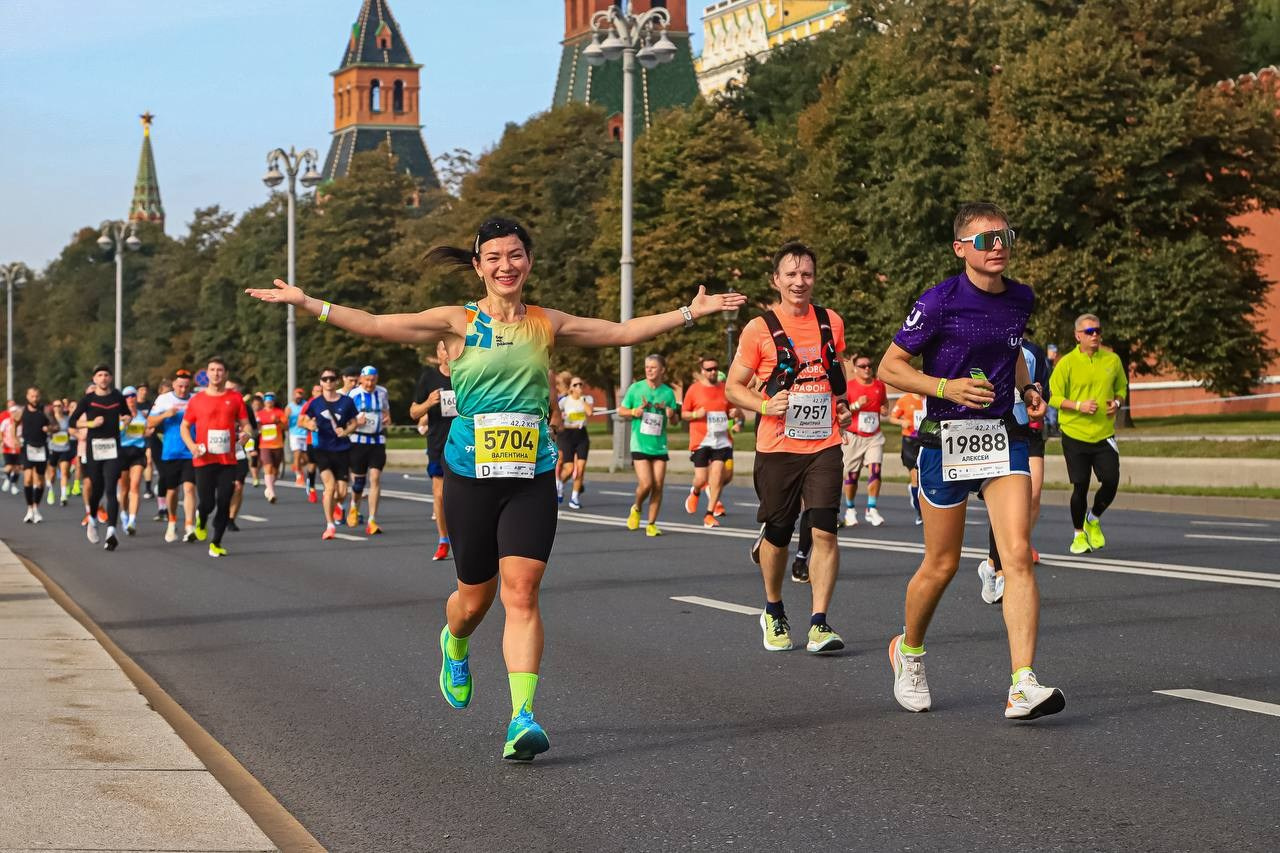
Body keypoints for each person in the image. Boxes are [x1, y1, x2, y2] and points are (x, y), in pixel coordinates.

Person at [245, 216, 743, 762]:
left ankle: (521, 718)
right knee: (473, 602)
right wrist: (306, 301)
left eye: (516, 255)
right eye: (494, 257)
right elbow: (373, 323)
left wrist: (692, 311)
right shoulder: (456, 321)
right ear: (479, 265)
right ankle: (454, 642)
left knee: (522, 593)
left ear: (529, 260)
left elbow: (622, 332)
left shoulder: (546, 322)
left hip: (530, 474)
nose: (506, 266)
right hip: (469, 475)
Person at [877, 201, 1063, 720]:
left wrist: (1029, 391)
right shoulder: (939, 302)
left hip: (1003, 435)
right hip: (946, 439)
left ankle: (1022, 683)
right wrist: (944, 386)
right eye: (985, 240)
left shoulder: (1020, 298)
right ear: (961, 249)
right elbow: (890, 367)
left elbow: (1012, 354)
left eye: (1005, 236)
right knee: (942, 565)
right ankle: (908, 651)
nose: (998, 246)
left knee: (1018, 554)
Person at [725, 241, 853, 655]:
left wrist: (843, 407)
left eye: (807, 274)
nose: (800, 282)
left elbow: (836, 374)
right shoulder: (758, 329)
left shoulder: (831, 321)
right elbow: (732, 387)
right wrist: (765, 404)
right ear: (776, 280)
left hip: (825, 443)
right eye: (792, 275)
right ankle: (774, 609)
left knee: (824, 531)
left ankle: (819, 622)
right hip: (778, 446)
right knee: (779, 534)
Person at [977, 339, 1049, 603]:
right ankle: (999, 569)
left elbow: (1043, 389)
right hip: (997, 432)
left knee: (1033, 494)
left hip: (1028, 431)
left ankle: (1007, 555)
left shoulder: (1032, 352)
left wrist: (1037, 395)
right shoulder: (983, 342)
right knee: (1005, 506)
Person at [1048, 313, 1126, 554]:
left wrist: (1117, 402)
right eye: (1089, 332)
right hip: (1074, 432)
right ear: (1077, 335)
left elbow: (1121, 387)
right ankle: (1078, 535)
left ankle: (1093, 519)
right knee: (1080, 485)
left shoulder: (1112, 360)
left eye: (1098, 331)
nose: (1095, 336)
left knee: (1111, 481)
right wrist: (1079, 406)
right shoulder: (1067, 363)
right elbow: (1053, 397)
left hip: (1103, 434)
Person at [181, 358, 251, 557]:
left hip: (227, 460)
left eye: (220, 370)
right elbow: (184, 426)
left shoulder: (235, 398)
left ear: (226, 374)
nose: (216, 374)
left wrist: (246, 434)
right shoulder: (197, 400)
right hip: (204, 459)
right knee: (207, 503)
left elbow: (247, 425)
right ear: (207, 374)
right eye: (212, 370)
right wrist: (192, 446)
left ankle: (216, 543)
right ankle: (201, 519)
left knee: (224, 501)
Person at [619, 354, 679, 537]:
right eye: (647, 367)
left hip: (659, 445)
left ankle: (651, 523)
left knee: (658, 485)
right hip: (640, 443)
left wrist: (671, 414)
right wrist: (633, 411)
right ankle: (636, 508)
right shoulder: (636, 389)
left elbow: (675, 421)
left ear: (662, 370)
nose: (649, 370)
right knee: (646, 483)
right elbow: (622, 410)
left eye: (653, 367)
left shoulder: (668, 393)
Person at [296, 367, 359, 540]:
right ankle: (330, 525)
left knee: (341, 492)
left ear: (337, 381)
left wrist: (346, 432)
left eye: (332, 379)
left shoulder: (347, 402)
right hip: (322, 449)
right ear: (321, 382)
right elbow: (301, 421)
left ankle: (336, 504)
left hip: (342, 449)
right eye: (325, 379)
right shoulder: (315, 403)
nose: (329, 382)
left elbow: (354, 423)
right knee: (329, 486)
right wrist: (310, 426)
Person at [74, 365, 129, 551]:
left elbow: (127, 414)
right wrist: (91, 423)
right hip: (94, 447)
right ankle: (92, 519)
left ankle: (111, 532)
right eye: (100, 375)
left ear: (110, 378)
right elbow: (74, 421)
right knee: (96, 487)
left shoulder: (117, 397)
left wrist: (126, 420)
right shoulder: (88, 399)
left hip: (113, 447)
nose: (103, 378)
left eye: (106, 375)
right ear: (94, 379)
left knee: (111, 488)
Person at [411, 341, 456, 560]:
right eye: (443, 349)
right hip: (438, 443)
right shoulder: (429, 379)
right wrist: (429, 402)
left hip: (466, 442)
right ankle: (443, 540)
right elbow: (413, 412)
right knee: (439, 494)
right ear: (438, 354)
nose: (447, 353)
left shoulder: (467, 375)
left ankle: (464, 537)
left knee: (465, 496)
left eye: (450, 348)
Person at [681, 356, 736, 527]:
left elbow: (732, 410)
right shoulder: (694, 390)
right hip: (701, 440)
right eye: (709, 369)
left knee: (718, 475)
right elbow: (684, 413)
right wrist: (696, 415)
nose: (713, 372)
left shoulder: (725, 389)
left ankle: (709, 514)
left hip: (721, 441)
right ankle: (696, 491)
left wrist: (735, 413)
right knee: (701, 478)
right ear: (702, 371)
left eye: (715, 369)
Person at [148, 369, 198, 543]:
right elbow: (150, 422)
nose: (183, 390)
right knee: (172, 491)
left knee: (190, 488)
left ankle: (190, 525)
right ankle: (172, 520)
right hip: (171, 451)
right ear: (173, 385)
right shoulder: (164, 399)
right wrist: (165, 415)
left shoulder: (195, 399)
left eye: (186, 386)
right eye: (179, 386)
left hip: (191, 451)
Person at [840, 353, 889, 527]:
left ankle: (871, 508)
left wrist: (884, 410)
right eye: (862, 366)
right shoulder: (849, 387)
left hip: (874, 436)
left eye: (869, 365)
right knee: (852, 475)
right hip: (854, 436)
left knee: (876, 469)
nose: (867, 368)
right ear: (855, 369)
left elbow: (884, 403)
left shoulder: (879, 385)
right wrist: (856, 406)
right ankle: (851, 509)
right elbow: (842, 412)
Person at [349, 365, 390, 534]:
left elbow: (386, 412)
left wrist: (387, 418)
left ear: (377, 379)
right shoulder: (353, 394)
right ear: (360, 379)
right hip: (358, 441)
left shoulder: (382, 392)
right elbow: (346, 419)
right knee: (358, 483)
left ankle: (372, 519)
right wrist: (355, 422)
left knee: (375, 478)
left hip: (377, 440)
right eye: (366, 380)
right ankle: (354, 506)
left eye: (372, 380)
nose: (369, 383)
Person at [889, 390, 927, 525]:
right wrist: (902, 422)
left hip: (926, 440)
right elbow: (892, 417)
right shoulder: (905, 399)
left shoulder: (928, 399)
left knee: (925, 478)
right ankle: (920, 512)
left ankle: (920, 499)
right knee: (916, 476)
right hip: (910, 441)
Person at [555, 376, 593, 510]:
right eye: (575, 385)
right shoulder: (564, 401)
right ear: (571, 387)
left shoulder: (586, 399)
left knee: (581, 468)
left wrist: (582, 399)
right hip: (566, 435)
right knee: (569, 468)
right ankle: (559, 485)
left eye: (580, 384)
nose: (579, 387)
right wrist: (561, 418)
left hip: (581, 435)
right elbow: (555, 414)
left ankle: (575, 498)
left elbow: (589, 412)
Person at [117, 386, 149, 535]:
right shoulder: (118, 415)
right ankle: (123, 513)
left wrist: (148, 431)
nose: (130, 399)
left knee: (135, 486)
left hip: (138, 453)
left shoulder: (142, 415)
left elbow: (146, 431)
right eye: (127, 396)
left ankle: (132, 520)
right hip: (122, 453)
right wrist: (124, 424)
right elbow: (114, 434)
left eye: (133, 396)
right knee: (124, 490)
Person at [15, 386, 51, 522]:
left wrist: (50, 428)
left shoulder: (45, 411)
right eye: (32, 396)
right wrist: (14, 438)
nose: (34, 399)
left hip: (41, 448)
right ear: (27, 396)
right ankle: (29, 508)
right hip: (27, 447)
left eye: (36, 396)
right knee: (28, 478)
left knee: (40, 481)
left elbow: (56, 426)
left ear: (39, 396)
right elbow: (14, 423)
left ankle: (36, 507)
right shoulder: (21, 411)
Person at [255, 392, 288, 503]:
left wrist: (277, 421)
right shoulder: (259, 414)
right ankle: (271, 493)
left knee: (275, 472)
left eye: (271, 401)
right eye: (267, 401)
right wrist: (259, 426)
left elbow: (286, 427)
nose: (269, 403)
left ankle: (269, 487)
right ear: (264, 402)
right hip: (264, 445)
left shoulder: (279, 412)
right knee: (268, 467)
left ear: (273, 401)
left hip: (277, 444)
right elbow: (256, 428)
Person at [46, 399, 75, 507]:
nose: (57, 408)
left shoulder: (67, 419)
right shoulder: (49, 419)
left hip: (65, 448)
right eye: (55, 406)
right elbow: (45, 430)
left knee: (64, 472)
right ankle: (51, 490)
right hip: (53, 448)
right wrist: (50, 429)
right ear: (52, 408)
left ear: (63, 407)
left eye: (59, 406)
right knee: (52, 474)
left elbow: (72, 430)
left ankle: (63, 496)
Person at [286, 387, 310, 487]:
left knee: (306, 459)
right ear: (294, 396)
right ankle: (299, 477)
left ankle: (296, 466)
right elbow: (285, 420)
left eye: (300, 395)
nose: (298, 397)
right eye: (297, 395)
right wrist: (286, 418)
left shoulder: (306, 404)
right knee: (297, 454)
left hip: (305, 433)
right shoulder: (289, 407)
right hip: (294, 433)